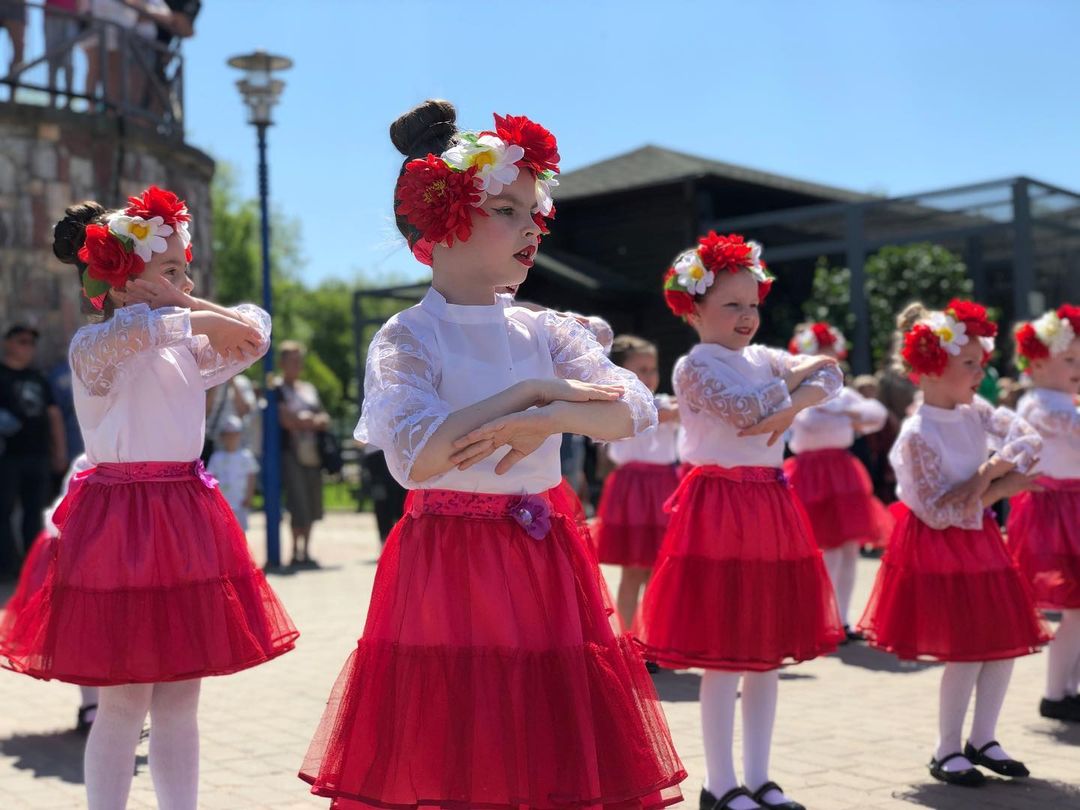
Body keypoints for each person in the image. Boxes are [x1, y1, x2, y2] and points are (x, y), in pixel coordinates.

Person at [298, 99, 685, 810]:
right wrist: (531, 400)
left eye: (535, 212)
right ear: (445, 219)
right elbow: (418, 459)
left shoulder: (548, 328)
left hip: (544, 555)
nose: (533, 226)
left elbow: (631, 408)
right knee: (453, 738)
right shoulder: (411, 337)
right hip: (446, 560)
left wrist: (544, 414)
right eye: (509, 209)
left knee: (544, 738)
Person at [0, 186, 298, 810]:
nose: (185, 281)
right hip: (120, 521)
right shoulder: (94, 349)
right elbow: (135, 337)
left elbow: (253, 336)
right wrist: (189, 314)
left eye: (187, 269)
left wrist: (187, 302)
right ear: (123, 277)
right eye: (171, 268)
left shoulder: (187, 342)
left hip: (186, 514)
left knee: (181, 696)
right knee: (124, 696)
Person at [639, 233, 844, 810]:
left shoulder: (763, 359)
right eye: (732, 305)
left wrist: (790, 405)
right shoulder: (696, 365)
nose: (747, 316)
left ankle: (760, 776)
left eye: (753, 304)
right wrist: (792, 392)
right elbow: (746, 412)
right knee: (725, 652)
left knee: (766, 650)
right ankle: (720, 783)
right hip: (719, 507)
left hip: (771, 503)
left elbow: (831, 375)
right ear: (695, 307)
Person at [858, 300, 1049, 787]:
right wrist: (1003, 487)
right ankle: (947, 748)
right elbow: (937, 511)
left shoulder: (974, 410)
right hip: (941, 545)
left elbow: (1028, 439)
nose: (980, 372)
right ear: (932, 368)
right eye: (969, 364)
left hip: (980, 537)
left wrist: (987, 472)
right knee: (966, 648)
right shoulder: (916, 435)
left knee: (1001, 643)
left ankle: (982, 737)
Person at [783, 323, 888, 639]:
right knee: (824, 551)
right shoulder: (796, 388)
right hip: (809, 475)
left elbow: (877, 415)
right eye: (820, 356)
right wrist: (848, 414)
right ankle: (821, 619)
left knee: (848, 550)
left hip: (842, 474)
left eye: (831, 356)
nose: (828, 362)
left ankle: (841, 619)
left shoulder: (841, 390)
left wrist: (847, 412)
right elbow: (809, 420)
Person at [1005, 305, 1080, 721]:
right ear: (1036, 363)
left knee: (1078, 611)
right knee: (1075, 608)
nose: (1077, 366)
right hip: (1055, 510)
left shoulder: (1065, 401)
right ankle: (1056, 693)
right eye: (1068, 359)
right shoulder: (1039, 404)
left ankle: (1068, 689)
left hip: (1074, 505)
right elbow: (1068, 425)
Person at [0, 453, 97, 734]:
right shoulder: (86, 463)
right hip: (76, 566)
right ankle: (92, 707)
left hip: (112, 570)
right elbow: (60, 520)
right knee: (84, 640)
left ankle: (117, 709)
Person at [593, 334, 680, 630]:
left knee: (658, 569)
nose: (650, 376)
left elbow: (683, 411)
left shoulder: (665, 403)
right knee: (633, 570)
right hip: (633, 491)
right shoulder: (618, 402)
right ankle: (629, 639)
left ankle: (652, 638)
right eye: (641, 369)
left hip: (665, 488)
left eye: (652, 369)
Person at [0, 324, 67, 580]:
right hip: (7, 457)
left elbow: (54, 414)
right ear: (8, 343)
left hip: (38, 455)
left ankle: (33, 567)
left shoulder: (38, 378)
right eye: (22, 341)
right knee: (3, 513)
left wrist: (59, 451)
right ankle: (7, 567)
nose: (27, 347)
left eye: (31, 343)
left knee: (35, 513)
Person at [278, 340, 327, 567]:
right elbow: (285, 421)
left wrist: (306, 421)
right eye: (292, 360)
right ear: (282, 363)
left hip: (313, 454)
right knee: (297, 503)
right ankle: (295, 551)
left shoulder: (308, 389)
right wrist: (306, 421)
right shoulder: (277, 389)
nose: (297, 364)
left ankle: (306, 551)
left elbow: (324, 418)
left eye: (299, 360)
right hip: (292, 454)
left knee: (312, 501)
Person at [207, 415, 258, 532]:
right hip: (223, 503)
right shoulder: (216, 457)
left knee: (241, 531)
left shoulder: (246, 456)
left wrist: (249, 496)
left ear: (239, 435)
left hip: (241, 502)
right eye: (228, 435)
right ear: (223, 437)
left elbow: (251, 477)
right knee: (224, 531)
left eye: (234, 434)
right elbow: (212, 478)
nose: (231, 438)